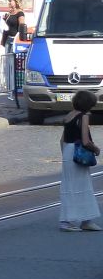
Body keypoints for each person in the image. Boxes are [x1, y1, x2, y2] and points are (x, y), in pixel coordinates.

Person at [60, 90, 102, 231]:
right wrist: (95, 149)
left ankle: (81, 220)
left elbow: (62, 139)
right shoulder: (84, 117)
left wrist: (65, 155)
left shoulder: (69, 115)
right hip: (78, 152)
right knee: (83, 187)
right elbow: (85, 140)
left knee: (69, 187)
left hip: (68, 151)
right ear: (88, 104)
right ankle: (75, 221)